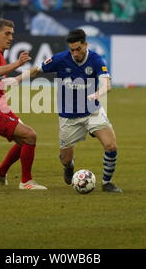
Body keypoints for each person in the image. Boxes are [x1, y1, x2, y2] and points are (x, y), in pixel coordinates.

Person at [32, 29, 122, 193]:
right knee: (65, 159)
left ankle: (107, 182)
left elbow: (107, 84)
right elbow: (37, 69)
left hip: (91, 110)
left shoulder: (95, 59)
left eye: (78, 49)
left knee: (111, 145)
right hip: (69, 116)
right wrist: (17, 77)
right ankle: (69, 166)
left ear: (85, 45)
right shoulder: (60, 59)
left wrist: (97, 94)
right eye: (72, 49)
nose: (75, 53)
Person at [0, 18, 47, 190]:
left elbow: (3, 81)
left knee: (25, 141)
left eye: (12, 34)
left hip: (0, 109)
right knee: (30, 136)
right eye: (7, 33)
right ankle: (26, 182)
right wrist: (17, 64)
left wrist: (27, 74)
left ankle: (1, 172)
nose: (11, 37)